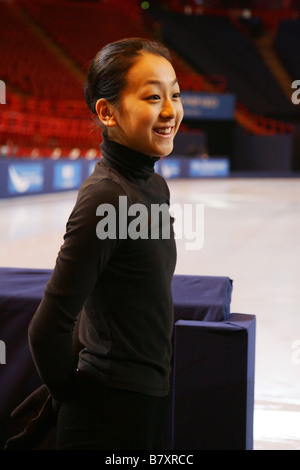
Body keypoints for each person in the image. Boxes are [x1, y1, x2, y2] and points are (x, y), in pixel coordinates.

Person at [5, 37, 184, 450]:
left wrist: (57, 396)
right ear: (107, 111)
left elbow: (105, 298)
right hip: (108, 419)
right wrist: (72, 395)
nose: (171, 110)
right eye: (154, 96)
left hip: (143, 402)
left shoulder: (154, 186)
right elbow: (47, 327)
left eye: (175, 93)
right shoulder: (107, 197)